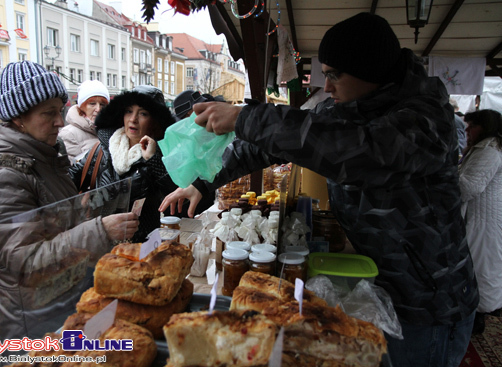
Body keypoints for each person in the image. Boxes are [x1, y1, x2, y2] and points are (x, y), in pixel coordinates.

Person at [160, 12, 478, 367]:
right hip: (378, 287)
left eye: (334, 75)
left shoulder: (425, 119)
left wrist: (245, 117)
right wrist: (202, 183)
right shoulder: (354, 107)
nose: (326, 87)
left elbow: (357, 151)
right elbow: (271, 146)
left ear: (371, 70)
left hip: (427, 305)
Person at [0, 61, 139, 342]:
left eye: (60, 111)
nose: (60, 122)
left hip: (57, 306)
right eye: (48, 114)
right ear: (19, 118)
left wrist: (80, 211)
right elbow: (25, 261)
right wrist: (99, 231)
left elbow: (47, 225)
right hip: (29, 322)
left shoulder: (45, 158)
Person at [70, 85, 179, 242]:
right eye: (129, 111)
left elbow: (176, 195)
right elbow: (69, 180)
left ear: (155, 121)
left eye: (143, 113)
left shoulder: (164, 154)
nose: (133, 119)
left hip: (142, 246)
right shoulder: (104, 147)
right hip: (102, 241)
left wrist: (153, 159)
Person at [458, 109, 502, 334]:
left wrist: (448, 178)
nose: (467, 131)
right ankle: (475, 313)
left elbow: (468, 187)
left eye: (471, 126)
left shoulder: (489, 151)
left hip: (482, 220)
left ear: (485, 127)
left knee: (480, 269)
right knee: (478, 267)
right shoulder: (485, 149)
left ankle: (477, 316)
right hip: (480, 218)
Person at [59, 80, 110, 163]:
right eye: (92, 104)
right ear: (82, 106)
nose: (98, 109)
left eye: (102, 104)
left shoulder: (111, 130)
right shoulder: (69, 134)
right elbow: (71, 170)